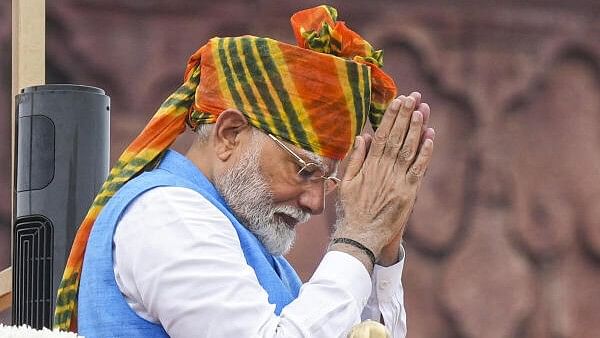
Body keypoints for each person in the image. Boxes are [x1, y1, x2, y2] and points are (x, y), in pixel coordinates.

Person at [54, 5, 435, 338]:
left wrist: (382, 247)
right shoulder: (167, 214)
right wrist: (357, 238)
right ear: (230, 134)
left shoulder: (255, 251)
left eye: (327, 180)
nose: (316, 203)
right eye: (304, 171)